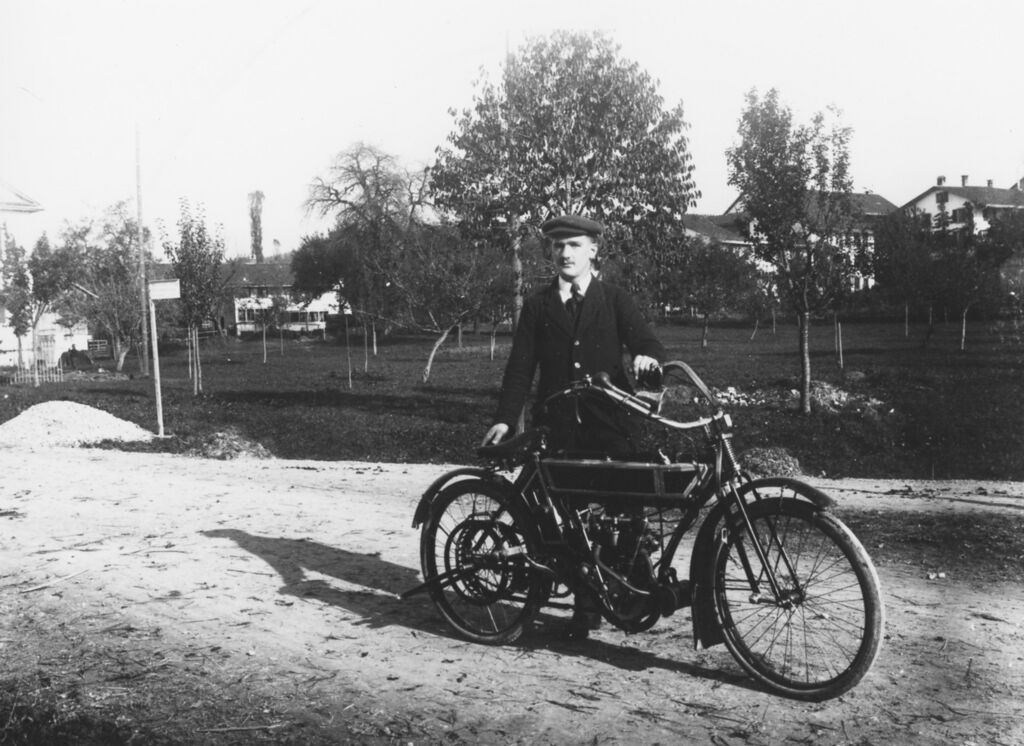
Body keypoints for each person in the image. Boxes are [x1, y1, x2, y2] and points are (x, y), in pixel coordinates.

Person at [481, 214, 666, 638]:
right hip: (560, 428)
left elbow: (647, 342)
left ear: (593, 251)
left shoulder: (614, 299)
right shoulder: (538, 305)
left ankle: (629, 589)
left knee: (625, 513)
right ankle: (586, 605)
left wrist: (647, 358)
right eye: (558, 246)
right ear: (551, 251)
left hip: (612, 425)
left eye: (575, 245)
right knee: (570, 520)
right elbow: (520, 368)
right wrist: (505, 420)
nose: (565, 253)